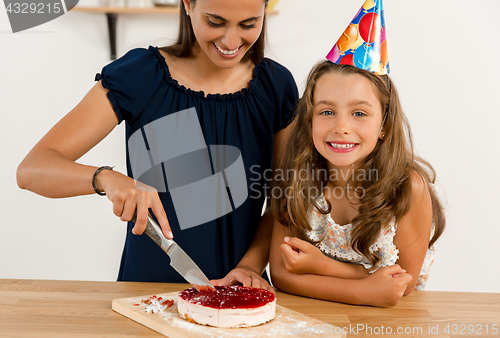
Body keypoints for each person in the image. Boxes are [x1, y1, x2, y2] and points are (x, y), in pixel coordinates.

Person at [16, 0, 298, 290]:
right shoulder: (141, 76)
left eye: (248, 24)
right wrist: (107, 178)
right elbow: (32, 169)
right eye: (215, 22)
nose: (230, 40)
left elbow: (284, 202)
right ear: (188, 4)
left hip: (241, 293)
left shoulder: (275, 87)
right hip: (146, 293)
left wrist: (251, 266)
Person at [268, 57, 445, 307]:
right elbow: (281, 273)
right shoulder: (296, 178)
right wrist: (363, 289)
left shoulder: (407, 189)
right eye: (326, 111)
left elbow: (401, 285)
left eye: (359, 113)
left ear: (384, 125)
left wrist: (322, 266)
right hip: (316, 317)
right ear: (309, 121)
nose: (341, 127)